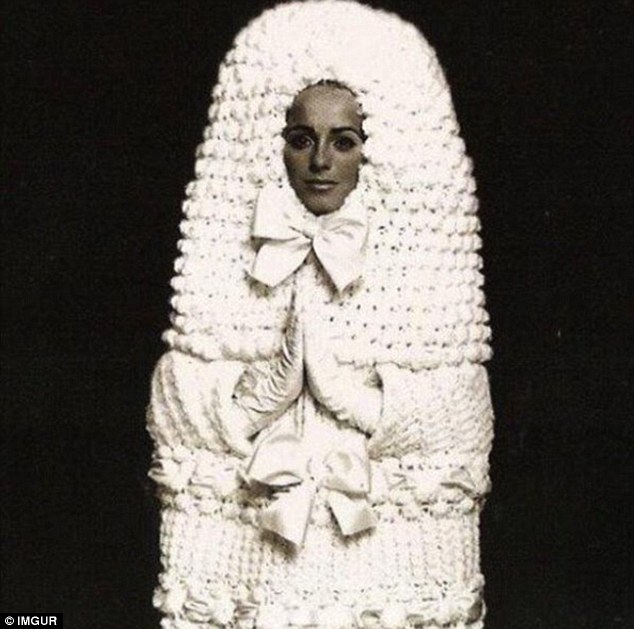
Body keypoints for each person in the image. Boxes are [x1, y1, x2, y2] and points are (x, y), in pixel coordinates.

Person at [147, 2, 494, 628]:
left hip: (385, 560)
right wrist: (257, 402)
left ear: (377, 152)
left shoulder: (422, 271)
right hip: (251, 561)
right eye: (301, 139)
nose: (321, 162)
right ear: (270, 146)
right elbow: (174, 412)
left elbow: (462, 417)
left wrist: (360, 403)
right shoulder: (228, 264)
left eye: (345, 141)